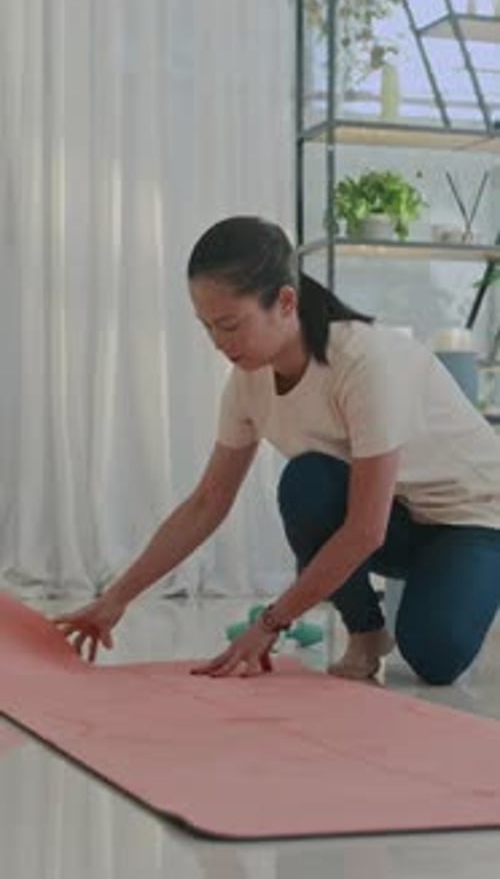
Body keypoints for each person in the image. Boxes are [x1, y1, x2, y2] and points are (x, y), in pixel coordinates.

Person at [54, 216, 500, 684]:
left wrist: (270, 624)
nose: (219, 343)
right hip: (401, 519)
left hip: (474, 517)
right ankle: (366, 633)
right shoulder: (247, 382)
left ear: (285, 302)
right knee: (308, 483)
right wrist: (117, 597)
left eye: (230, 325)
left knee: (435, 656)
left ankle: (471, 576)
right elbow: (208, 502)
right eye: (207, 327)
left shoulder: (364, 362)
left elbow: (365, 531)